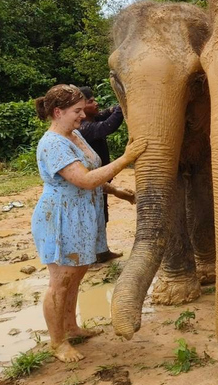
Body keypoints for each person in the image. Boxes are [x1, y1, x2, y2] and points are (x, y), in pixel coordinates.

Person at [31, 84, 146, 362]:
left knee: (76, 275)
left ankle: (71, 327)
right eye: (77, 111)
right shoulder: (54, 143)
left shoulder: (74, 136)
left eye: (82, 110)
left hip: (82, 215)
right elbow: (83, 180)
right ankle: (57, 343)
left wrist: (117, 192)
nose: (82, 116)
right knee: (60, 281)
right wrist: (126, 159)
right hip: (60, 217)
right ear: (57, 112)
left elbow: (91, 172)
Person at [78, 86, 126, 263]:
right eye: (90, 102)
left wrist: (117, 107)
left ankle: (101, 251)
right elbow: (108, 126)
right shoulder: (85, 128)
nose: (95, 103)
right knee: (92, 217)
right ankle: (90, 255)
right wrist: (123, 105)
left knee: (101, 214)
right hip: (90, 180)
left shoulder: (93, 118)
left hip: (99, 180)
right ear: (80, 108)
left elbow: (108, 113)